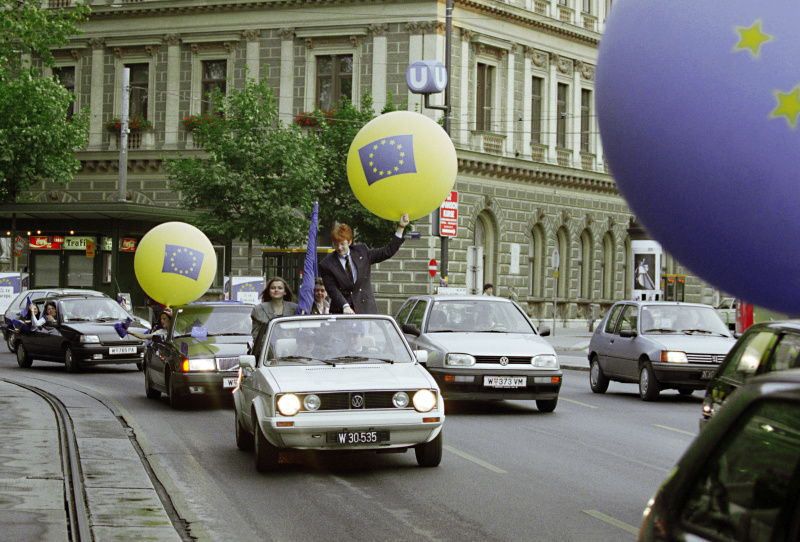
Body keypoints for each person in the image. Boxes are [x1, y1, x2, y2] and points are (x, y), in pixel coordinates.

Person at [320, 213, 409, 314]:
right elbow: (332, 289)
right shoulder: (327, 264)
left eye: (342, 244)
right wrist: (345, 305)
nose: (339, 248)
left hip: (366, 310)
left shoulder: (362, 251)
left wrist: (401, 227)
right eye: (336, 244)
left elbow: (387, 251)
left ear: (349, 242)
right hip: (342, 311)